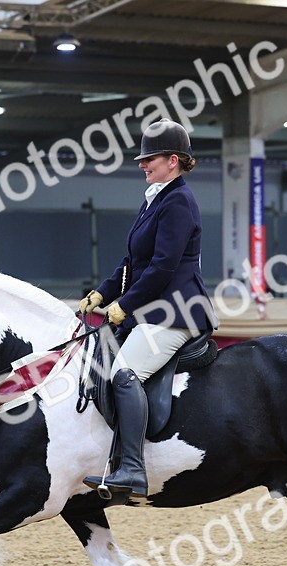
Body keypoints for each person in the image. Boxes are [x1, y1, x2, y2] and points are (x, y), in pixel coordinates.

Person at [77, 118, 216, 498]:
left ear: (173, 160)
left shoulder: (179, 202)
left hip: (177, 313)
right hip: (153, 309)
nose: (142, 164)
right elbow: (132, 262)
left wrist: (126, 305)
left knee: (124, 374)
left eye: (148, 158)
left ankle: (133, 470)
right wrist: (103, 294)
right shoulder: (155, 199)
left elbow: (164, 267)